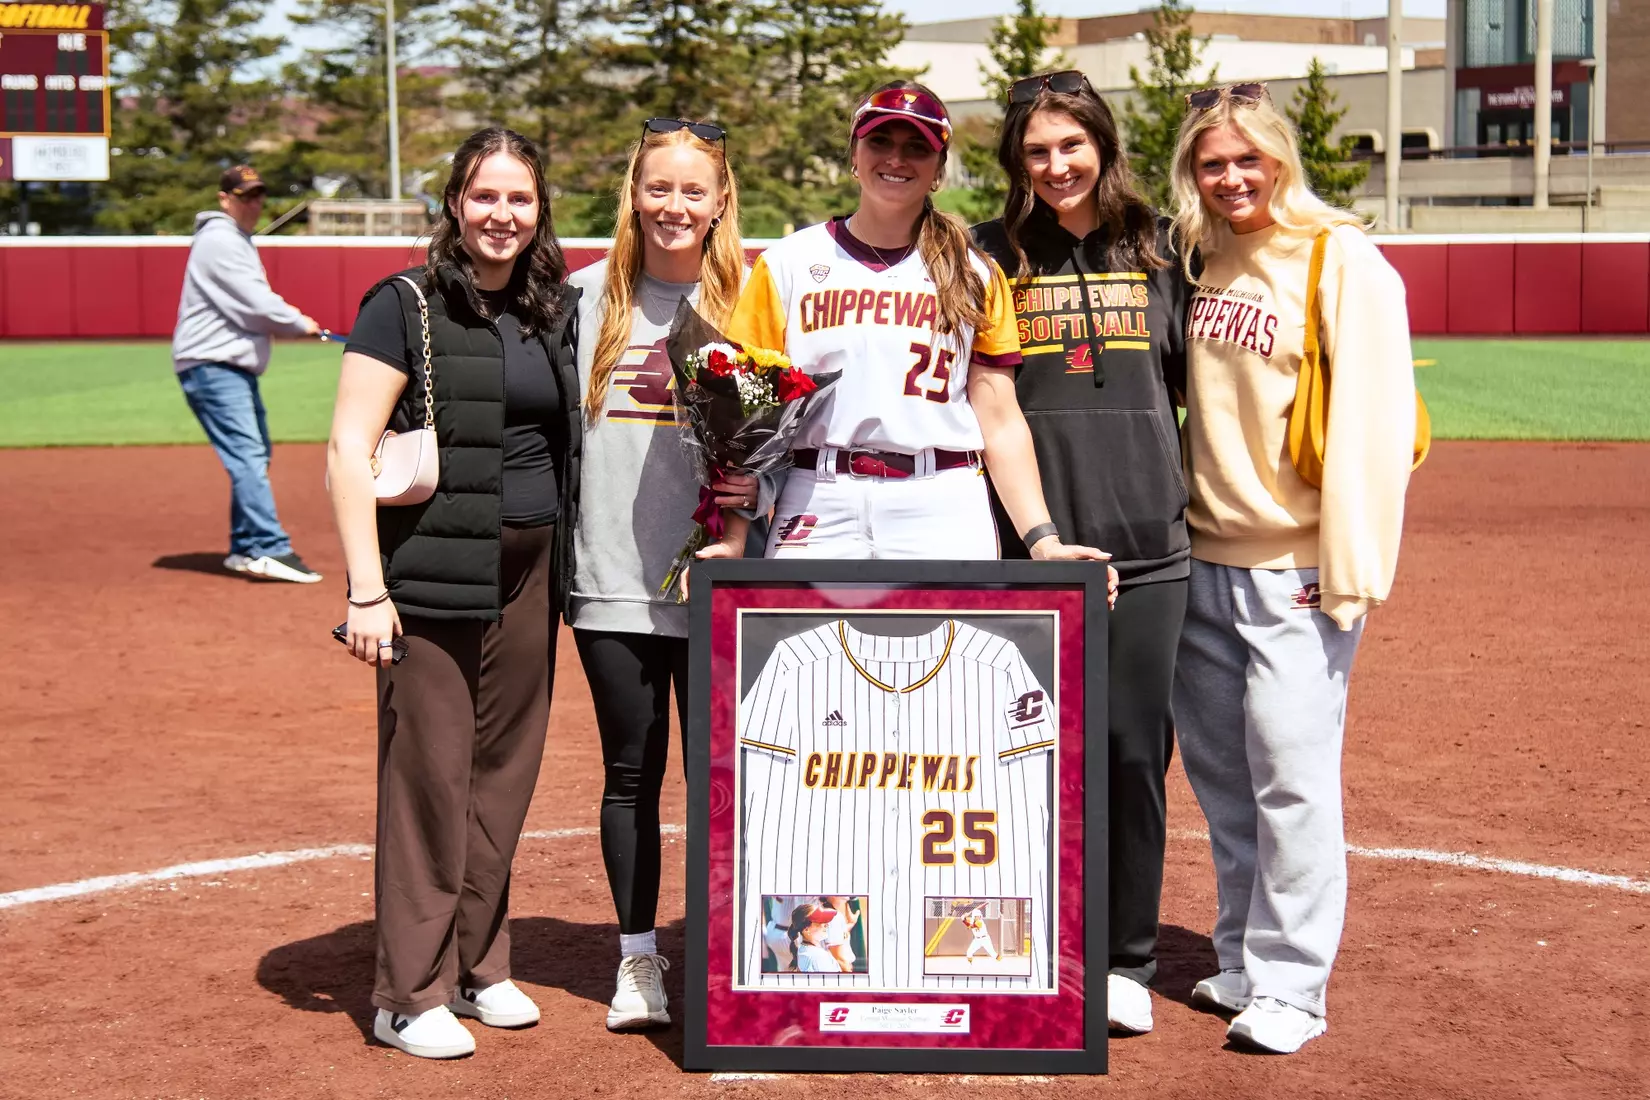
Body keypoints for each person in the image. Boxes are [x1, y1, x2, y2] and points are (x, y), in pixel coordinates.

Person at [1168, 84, 1416, 1055]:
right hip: (1202, 560)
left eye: (1248, 159)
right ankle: (1241, 954)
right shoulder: (1202, 258)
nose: (1232, 178)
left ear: (1281, 156)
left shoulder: (1338, 257)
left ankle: (1294, 984)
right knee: (1227, 781)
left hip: (1295, 570)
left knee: (1293, 778)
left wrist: (1350, 568)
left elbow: (1375, 425)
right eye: (1212, 163)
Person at [325, 127, 581, 1060]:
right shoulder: (404, 304)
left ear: (539, 209)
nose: (502, 216)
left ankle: (478, 965)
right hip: (431, 571)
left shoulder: (550, 306)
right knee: (429, 775)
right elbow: (348, 449)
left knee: (504, 771)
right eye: (484, 197)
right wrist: (365, 590)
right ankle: (408, 992)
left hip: (532, 566)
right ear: (454, 204)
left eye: (519, 200)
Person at [970, 69, 1190, 1036]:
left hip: (1149, 545)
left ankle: (1125, 958)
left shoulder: (1164, 248)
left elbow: (1204, 387)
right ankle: (1024, 942)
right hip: (1025, 546)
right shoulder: (985, 253)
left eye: (1072, 145)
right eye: (1036, 152)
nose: (1056, 166)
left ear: (1102, 140)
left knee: (1133, 753)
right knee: (1015, 757)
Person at [724, 80, 1116, 583]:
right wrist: (730, 537)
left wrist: (1043, 541)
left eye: (918, 147)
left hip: (941, 498)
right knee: (813, 655)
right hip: (818, 495)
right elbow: (742, 419)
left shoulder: (974, 271)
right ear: (854, 155)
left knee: (944, 659)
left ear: (938, 169)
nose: (897, 158)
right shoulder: (788, 264)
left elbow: (998, 418)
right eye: (880, 142)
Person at [566, 116, 758, 1031]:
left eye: (693, 189)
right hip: (612, 578)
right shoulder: (583, 299)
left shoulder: (757, 300)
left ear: (721, 200)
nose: (674, 205)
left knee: (730, 775)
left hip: (723, 584)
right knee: (631, 774)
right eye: (658, 187)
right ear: (633, 194)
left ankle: (730, 954)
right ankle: (638, 959)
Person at [172, 164, 323, 583]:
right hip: (212, 365)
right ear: (225, 199)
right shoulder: (219, 239)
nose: (253, 203)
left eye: (257, 196)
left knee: (255, 454)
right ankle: (269, 547)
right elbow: (254, 302)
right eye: (244, 196)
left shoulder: (234, 239)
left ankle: (245, 547)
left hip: (222, 365)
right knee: (248, 456)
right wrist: (299, 323)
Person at [787, 902, 846, 973]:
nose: (826, 925)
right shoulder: (818, 956)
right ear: (806, 929)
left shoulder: (803, 949)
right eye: (821, 922)